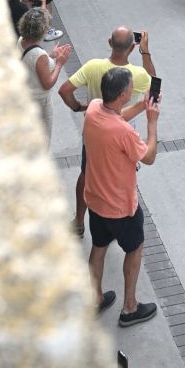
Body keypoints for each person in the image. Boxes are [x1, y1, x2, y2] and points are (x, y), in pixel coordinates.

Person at [59, 26, 156, 239]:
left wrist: (78, 107)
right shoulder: (137, 75)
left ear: (110, 43)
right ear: (132, 47)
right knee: (119, 177)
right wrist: (146, 52)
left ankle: (79, 222)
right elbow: (153, 85)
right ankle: (116, 218)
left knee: (86, 173)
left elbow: (64, 90)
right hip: (122, 136)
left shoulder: (93, 66)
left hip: (93, 133)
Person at [82, 66, 160, 325]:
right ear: (122, 95)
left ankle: (95, 298)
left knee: (99, 247)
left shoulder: (94, 109)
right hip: (121, 207)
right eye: (130, 88)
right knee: (135, 248)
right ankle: (130, 307)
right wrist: (151, 122)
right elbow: (148, 157)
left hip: (95, 199)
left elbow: (116, 117)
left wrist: (141, 105)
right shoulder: (124, 133)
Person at [18, 7, 72, 142]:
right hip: (40, 102)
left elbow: (33, 63)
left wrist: (51, 55)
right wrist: (59, 63)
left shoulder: (21, 41)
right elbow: (47, 83)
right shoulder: (39, 54)